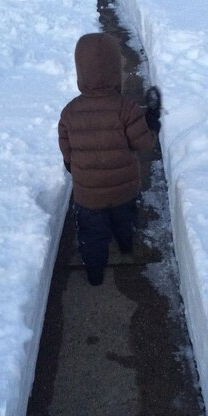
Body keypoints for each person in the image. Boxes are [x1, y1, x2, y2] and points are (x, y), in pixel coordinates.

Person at [58, 32, 161, 286]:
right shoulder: (127, 108)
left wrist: (71, 163)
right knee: (124, 222)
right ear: (117, 70)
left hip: (88, 196)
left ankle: (94, 274)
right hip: (124, 190)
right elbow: (143, 143)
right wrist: (151, 123)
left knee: (92, 236)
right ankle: (126, 245)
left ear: (80, 71)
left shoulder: (70, 111)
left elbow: (66, 148)